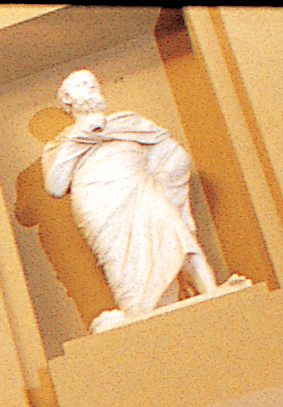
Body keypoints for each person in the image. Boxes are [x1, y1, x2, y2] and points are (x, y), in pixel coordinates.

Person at [41, 70, 237, 330]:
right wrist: (80, 136)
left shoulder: (128, 123)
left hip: (141, 189)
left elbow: (173, 155)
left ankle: (210, 290)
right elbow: (55, 186)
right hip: (98, 207)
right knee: (120, 260)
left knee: (177, 235)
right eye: (82, 86)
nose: (90, 88)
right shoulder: (60, 145)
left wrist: (164, 184)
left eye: (93, 84)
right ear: (67, 99)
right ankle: (137, 313)